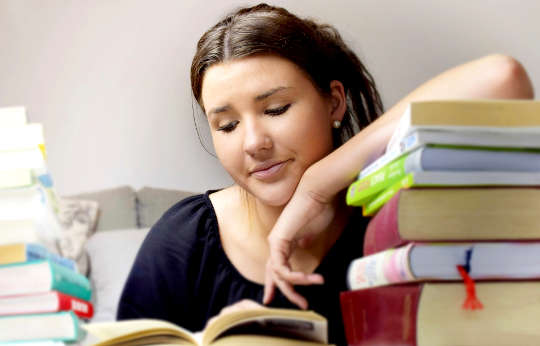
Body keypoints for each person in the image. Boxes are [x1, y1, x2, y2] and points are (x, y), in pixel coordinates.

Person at [117, 3, 534, 345]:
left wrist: (318, 186)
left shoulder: (397, 217)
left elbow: (503, 79)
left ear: (335, 103)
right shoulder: (184, 239)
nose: (253, 142)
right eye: (227, 125)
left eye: (276, 109)